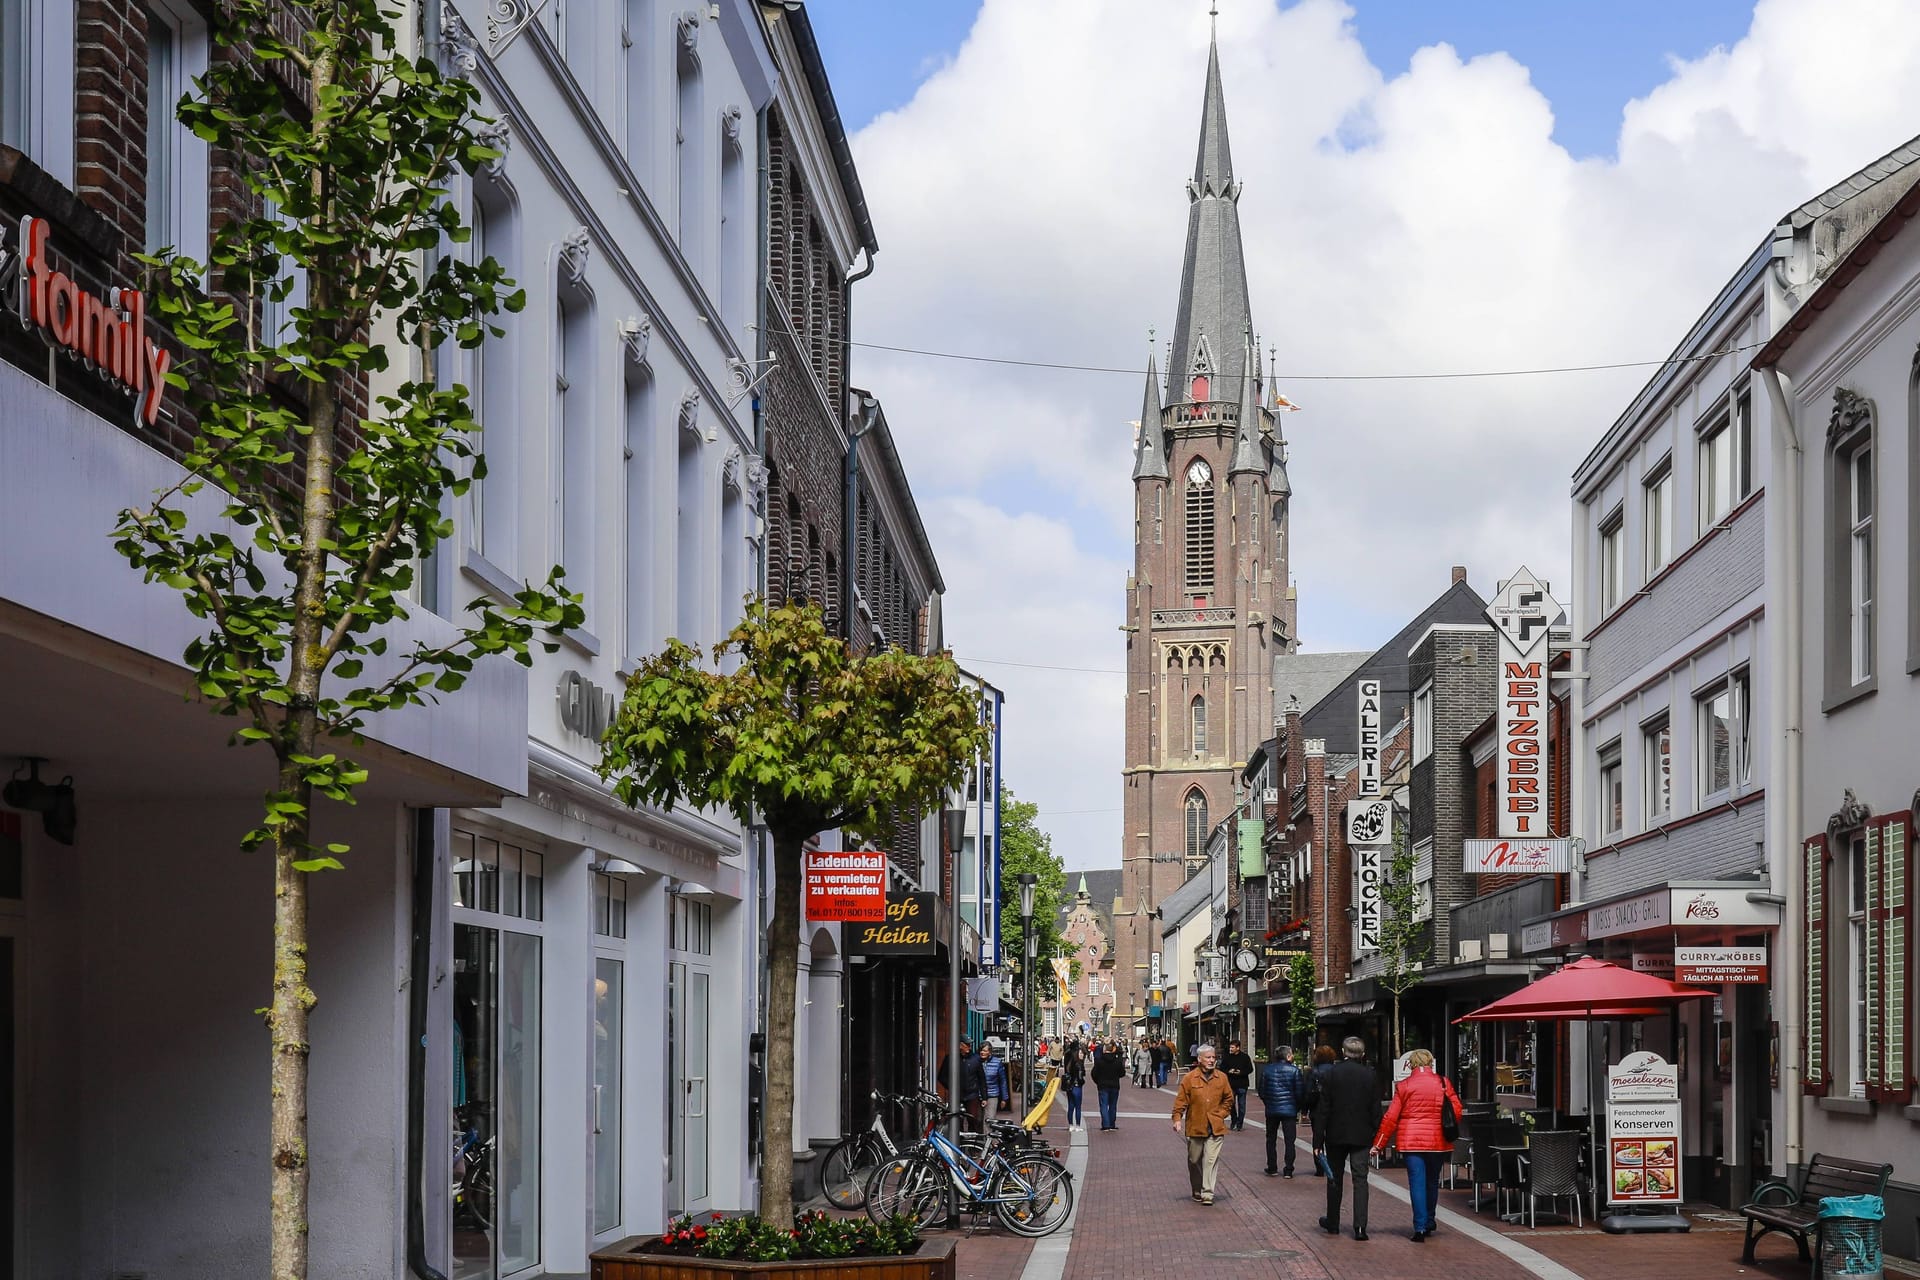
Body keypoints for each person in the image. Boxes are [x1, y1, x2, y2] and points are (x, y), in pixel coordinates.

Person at [1372, 1048, 1462, 1242]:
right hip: (1437, 1141)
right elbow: (1456, 1110)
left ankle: (1419, 1227)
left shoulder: (1404, 1085)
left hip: (1411, 1140)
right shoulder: (1443, 1083)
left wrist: (1379, 1144)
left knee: (1417, 1183)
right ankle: (1429, 1220)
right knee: (1432, 1181)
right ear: (1430, 1062)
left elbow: (1391, 1117)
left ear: (1411, 1064)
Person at [1309, 1037, 1382, 1241]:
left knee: (1334, 1178)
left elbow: (1323, 1109)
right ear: (1363, 1054)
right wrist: (1375, 1134)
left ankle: (1333, 1222)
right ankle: (1360, 1227)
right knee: (1361, 1179)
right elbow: (1376, 1109)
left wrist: (1317, 1141)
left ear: (1343, 1052)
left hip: (1336, 1134)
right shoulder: (1370, 1075)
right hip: (1361, 1135)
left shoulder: (1332, 1074)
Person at [1170, 1042, 1235, 1205]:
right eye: (1208, 1057)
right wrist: (1177, 1119)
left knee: (1210, 1161)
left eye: (1214, 1057)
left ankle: (1208, 1193)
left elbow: (1229, 1099)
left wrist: (1220, 1114)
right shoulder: (1190, 1078)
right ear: (1199, 1059)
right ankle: (1197, 1189)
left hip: (1215, 1127)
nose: (1212, 1060)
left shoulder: (1222, 1078)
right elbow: (1181, 1101)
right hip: (1195, 1126)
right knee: (1194, 1160)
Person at [1256, 1044, 1306, 1177]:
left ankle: (1272, 1167)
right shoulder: (1295, 1071)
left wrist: (1268, 1102)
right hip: (1289, 1110)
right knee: (1290, 1141)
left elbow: (1261, 1090)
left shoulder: (1267, 1070)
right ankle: (1288, 1169)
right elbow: (1300, 1093)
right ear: (1288, 1056)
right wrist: (1297, 1107)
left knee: (1270, 1139)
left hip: (1272, 1109)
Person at [937, 1038, 988, 1128]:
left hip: (972, 1095)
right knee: (956, 1121)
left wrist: (984, 1097)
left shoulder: (976, 1059)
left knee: (973, 1120)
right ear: (960, 1045)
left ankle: (973, 1141)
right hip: (957, 1095)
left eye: (970, 1044)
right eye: (967, 1045)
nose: (969, 1047)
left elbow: (981, 1078)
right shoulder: (951, 1058)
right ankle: (959, 1141)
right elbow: (942, 1076)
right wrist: (952, 1087)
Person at [1304, 1044, 1338, 1176]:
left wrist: (1304, 1110)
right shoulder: (1336, 1071)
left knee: (1318, 1138)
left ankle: (1320, 1167)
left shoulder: (1313, 1072)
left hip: (1317, 1109)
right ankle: (1333, 1164)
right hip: (1333, 1110)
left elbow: (1308, 1093)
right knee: (1332, 1137)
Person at [1091, 1036, 1125, 1130]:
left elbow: (1094, 1073)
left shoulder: (1099, 1061)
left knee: (1104, 1105)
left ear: (1105, 1049)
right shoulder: (1118, 1061)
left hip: (1103, 1085)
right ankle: (1112, 1124)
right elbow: (1122, 1073)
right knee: (1113, 1105)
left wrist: (1098, 1081)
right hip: (1114, 1085)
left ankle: (1106, 1125)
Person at [1221, 1040, 1255, 1131]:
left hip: (1242, 1084)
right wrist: (1229, 1071)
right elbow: (1222, 1068)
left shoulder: (1245, 1057)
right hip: (1231, 1084)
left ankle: (1240, 1123)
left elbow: (1250, 1069)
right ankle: (1234, 1120)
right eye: (1230, 1047)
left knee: (1242, 1105)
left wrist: (1241, 1072)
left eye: (1232, 1047)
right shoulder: (1227, 1057)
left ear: (1238, 1048)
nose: (1230, 1049)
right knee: (1231, 1104)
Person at [1061, 1036, 1087, 1130]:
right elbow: (1080, 1077)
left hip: (1069, 1086)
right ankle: (1078, 1126)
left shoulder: (1068, 1058)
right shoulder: (1079, 1064)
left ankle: (1071, 1125)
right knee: (1078, 1107)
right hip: (1077, 1086)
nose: (1082, 1055)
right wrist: (1082, 1080)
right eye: (1081, 1053)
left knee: (1071, 1106)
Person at [980, 1041, 1010, 1114]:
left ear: (990, 1052)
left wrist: (1004, 1098)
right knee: (977, 1120)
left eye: (984, 1050)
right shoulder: (977, 1061)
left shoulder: (997, 1062)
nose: (982, 1052)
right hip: (978, 1095)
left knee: (989, 1119)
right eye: (980, 1050)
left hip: (992, 1094)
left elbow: (1003, 1081)